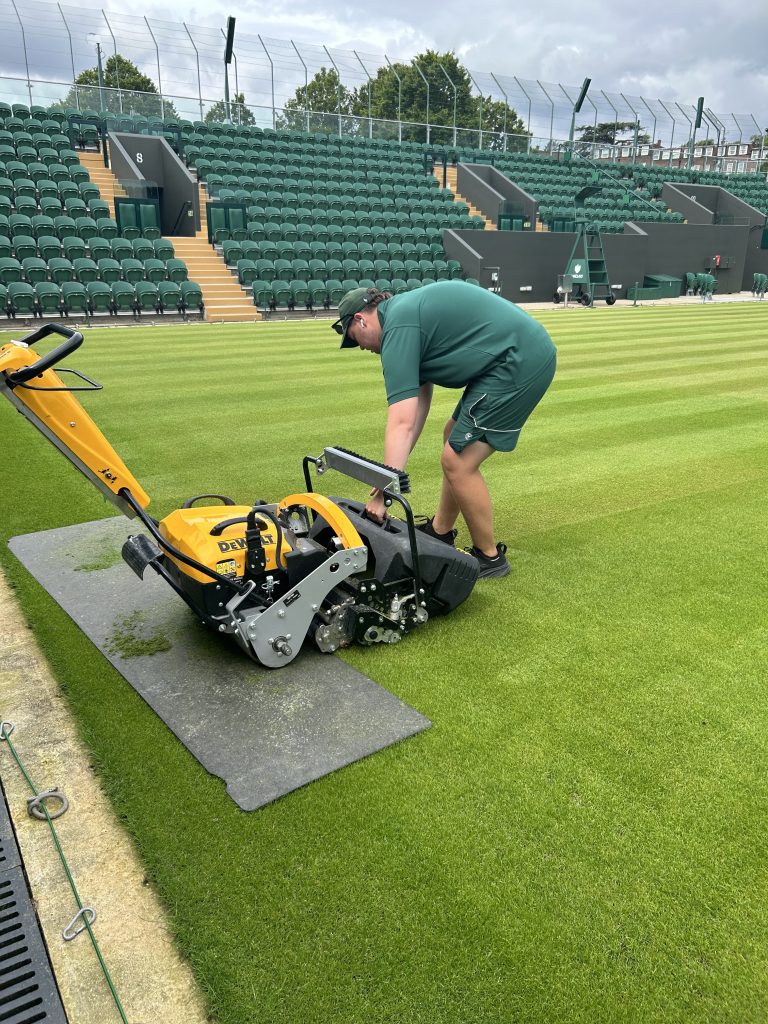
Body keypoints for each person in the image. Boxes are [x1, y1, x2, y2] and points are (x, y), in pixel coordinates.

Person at [332, 282, 556, 578]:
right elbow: (415, 413)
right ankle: (441, 531)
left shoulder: (399, 327)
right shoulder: (402, 316)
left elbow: (401, 422)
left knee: (458, 460)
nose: (361, 346)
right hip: (509, 357)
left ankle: (489, 558)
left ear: (361, 319)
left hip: (519, 360)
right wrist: (387, 480)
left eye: (355, 338)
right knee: (452, 435)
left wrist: (384, 493)